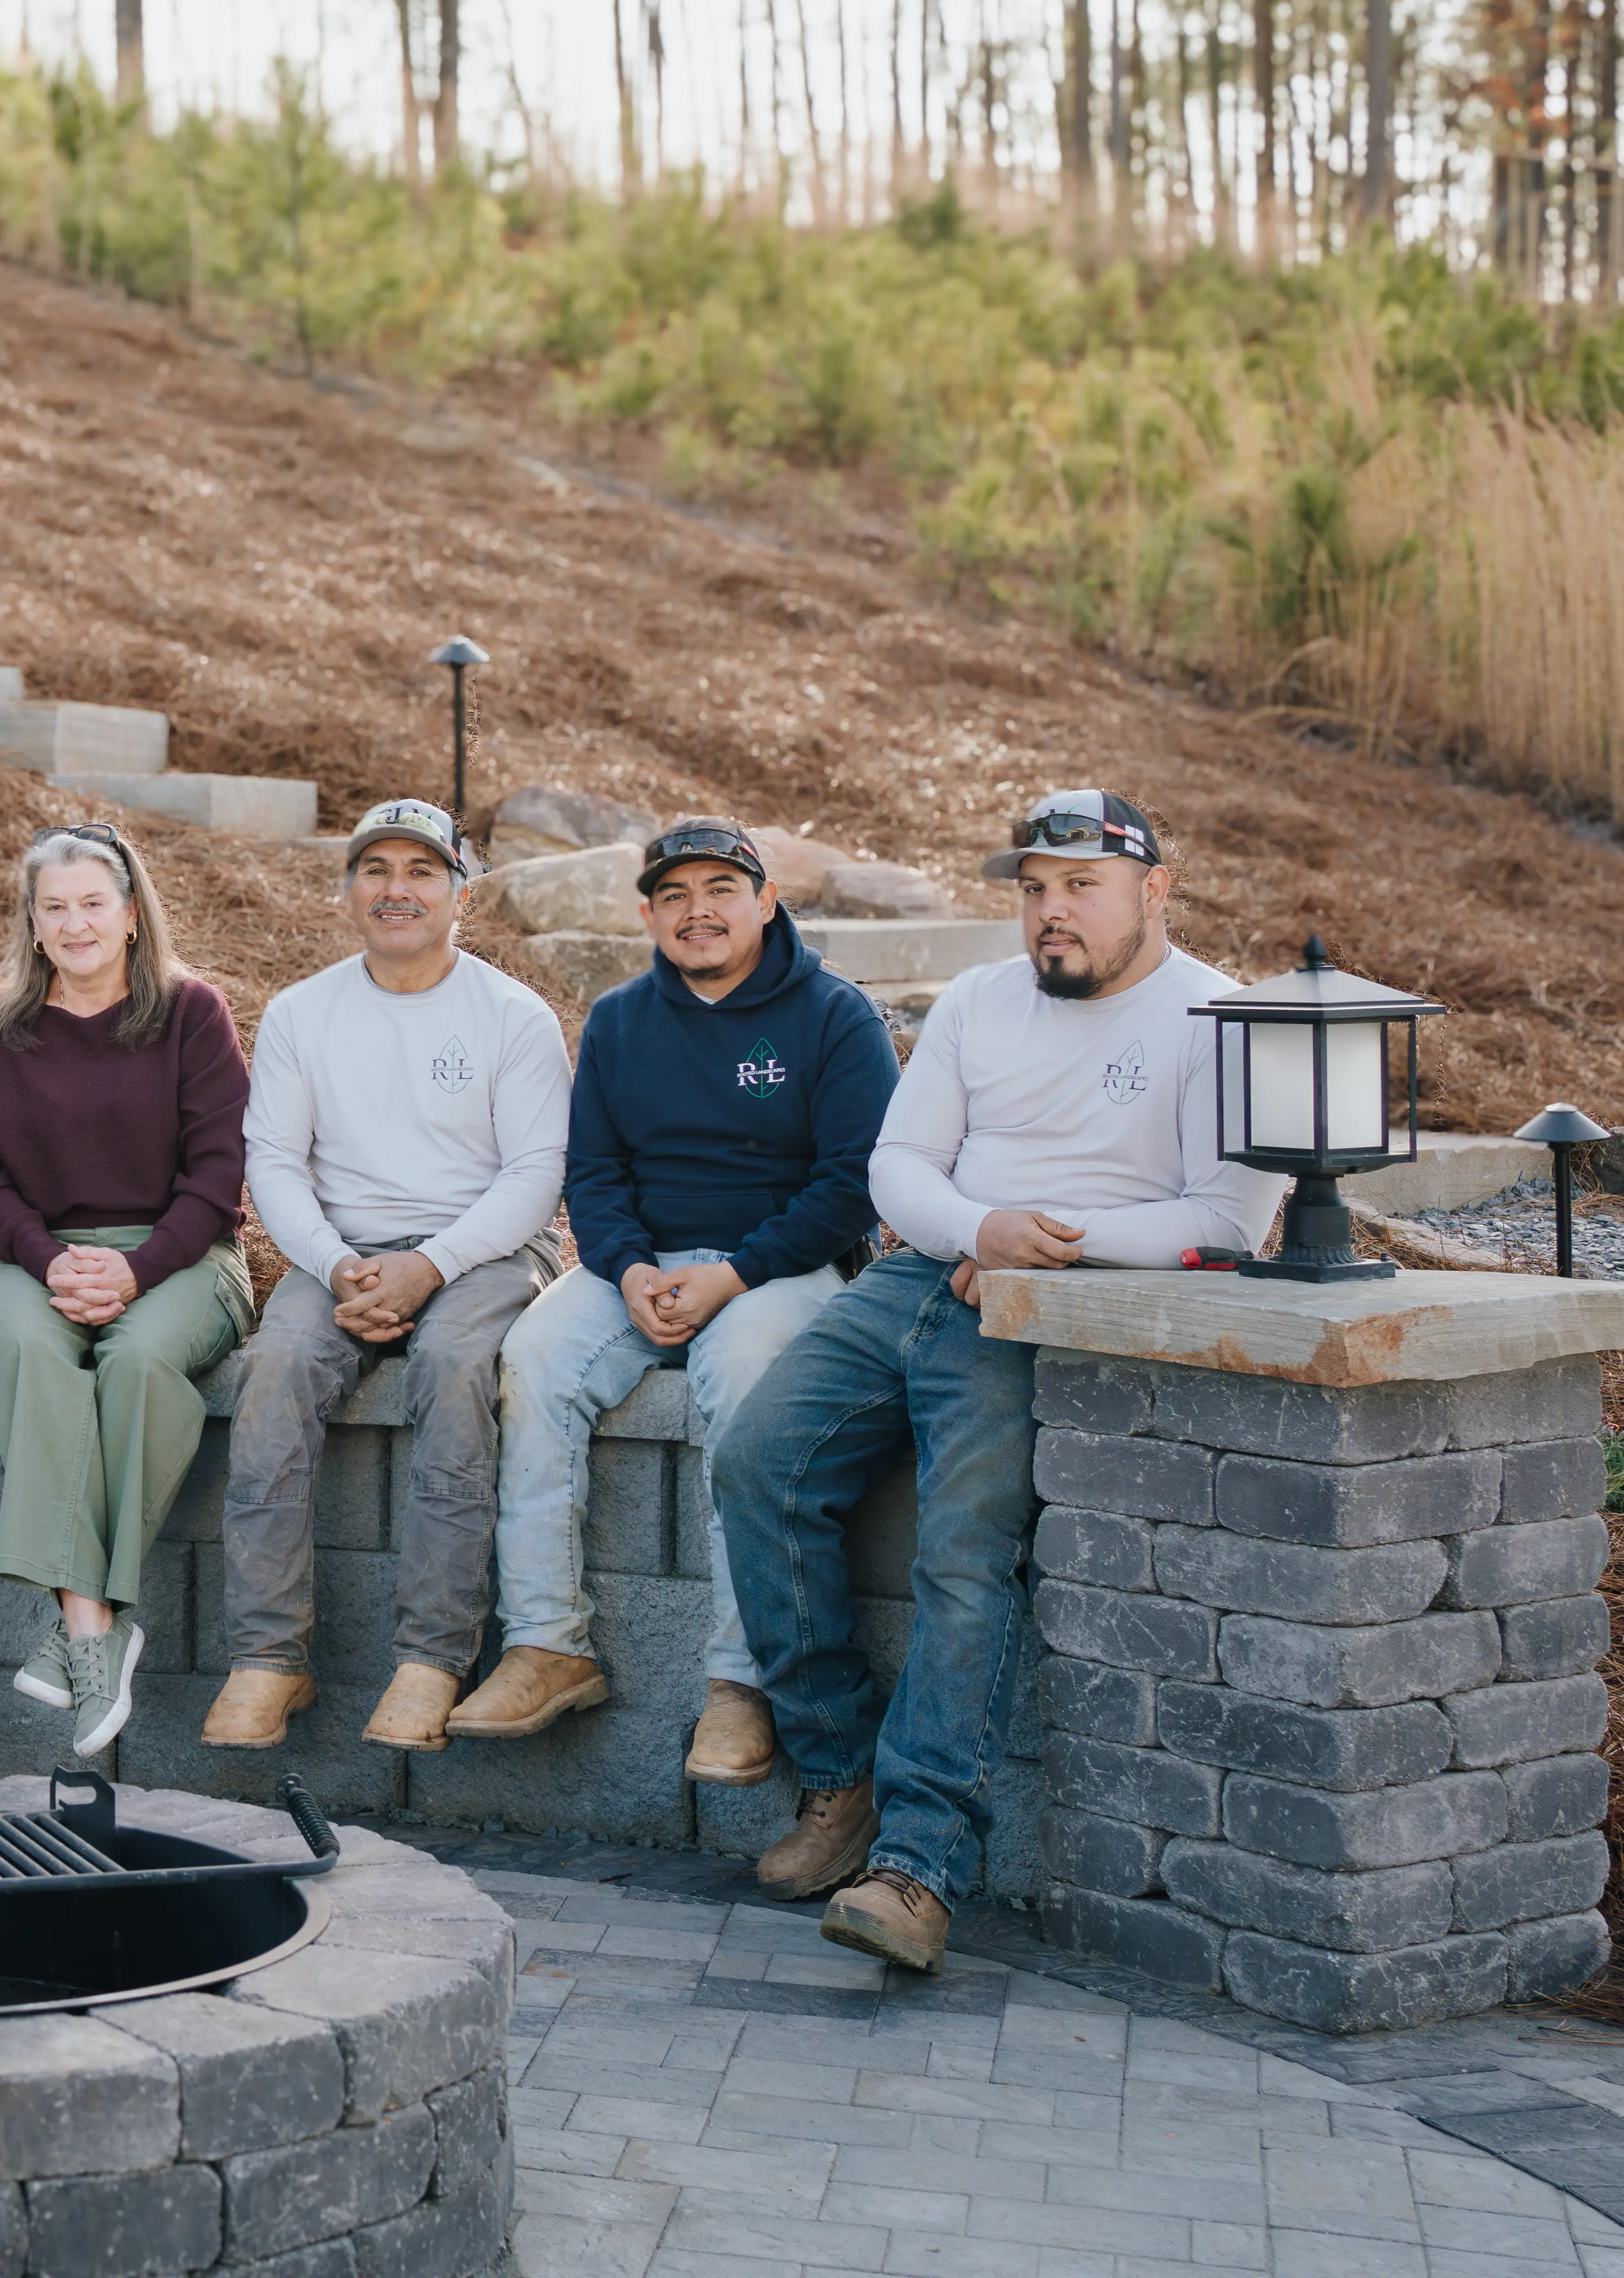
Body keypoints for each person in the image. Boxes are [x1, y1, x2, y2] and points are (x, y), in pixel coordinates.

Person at [717, 791, 1279, 1973]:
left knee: (961, 1550)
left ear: (1154, 890)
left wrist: (1039, 1242)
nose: (1050, 911)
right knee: (755, 1460)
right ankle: (839, 1778)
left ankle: (918, 1867)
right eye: (1032, 887)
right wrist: (979, 1226)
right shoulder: (979, 999)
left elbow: (1228, 1217)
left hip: (1042, 1307)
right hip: (922, 1276)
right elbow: (898, 1165)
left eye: (1080, 884)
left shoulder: (1215, 1018)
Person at [475, 818, 896, 1780]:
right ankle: (547, 1644)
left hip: (782, 1268)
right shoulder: (622, 1019)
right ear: (648, 914)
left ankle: (738, 1683)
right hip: (642, 1263)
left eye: (720, 890)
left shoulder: (835, 1014)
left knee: (747, 1377)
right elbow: (595, 1174)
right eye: (674, 895)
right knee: (532, 1364)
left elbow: (855, 1183)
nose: (697, 911)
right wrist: (626, 1270)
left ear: (765, 901)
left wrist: (733, 1275)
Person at [207, 797, 571, 1754]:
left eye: (421, 871)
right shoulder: (302, 1012)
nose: (396, 890)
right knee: (273, 1376)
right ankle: (267, 1659)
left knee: (454, 1370)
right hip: (342, 1256)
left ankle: (433, 1658)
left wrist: (430, 1265)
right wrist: (335, 1265)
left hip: (484, 1250)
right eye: (376, 870)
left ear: (460, 892)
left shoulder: (511, 1016)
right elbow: (275, 1163)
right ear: (348, 889)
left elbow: (535, 1176)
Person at [0, 822, 254, 1759]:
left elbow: (219, 1173)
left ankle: (85, 1623)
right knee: (31, 1349)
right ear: (33, 926)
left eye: (94, 903)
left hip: (184, 1256)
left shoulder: (190, 1013)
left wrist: (137, 1268)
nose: (75, 923)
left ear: (130, 914)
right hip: (31, 1260)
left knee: (141, 1360)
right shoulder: (5, 1031)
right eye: (56, 908)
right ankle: (91, 1626)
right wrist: (48, 1261)